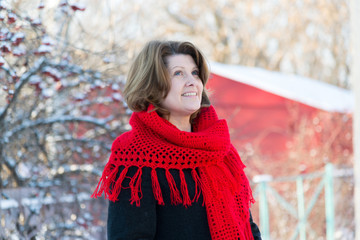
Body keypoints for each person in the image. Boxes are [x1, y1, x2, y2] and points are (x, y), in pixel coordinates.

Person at [92, 40, 261, 240]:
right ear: (152, 85)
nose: (192, 81)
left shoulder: (220, 148)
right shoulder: (135, 155)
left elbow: (247, 226)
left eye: (195, 73)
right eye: (178, 73)